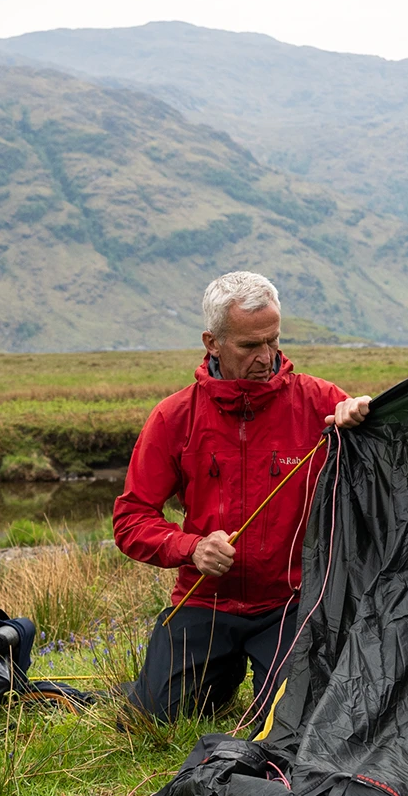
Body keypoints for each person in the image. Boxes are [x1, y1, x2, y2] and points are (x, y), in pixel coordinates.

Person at [113, 271, 371, 721]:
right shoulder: (174, 417)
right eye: (250, 346)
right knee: (153, 715)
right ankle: (217, 671)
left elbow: (375, 485)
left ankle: (259, 678)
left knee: (292, 720)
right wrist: (191, 548)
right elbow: (131, 520)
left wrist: (362, 421)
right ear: (212, 343)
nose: (266, 357)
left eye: (273, 340)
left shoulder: (322, 403)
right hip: (204, 601)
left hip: (293, 603)